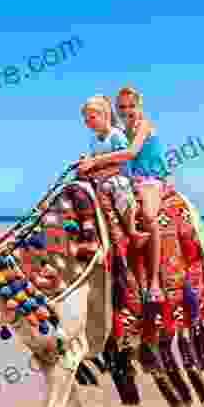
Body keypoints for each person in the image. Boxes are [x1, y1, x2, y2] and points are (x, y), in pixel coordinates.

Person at [77, 87, 170, 302]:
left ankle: (155, 282)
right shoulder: (118, 131)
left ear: (139, 106)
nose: (126, 111)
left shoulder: (144, 125)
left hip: (149, 178)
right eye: (121, 107)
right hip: (128, 178)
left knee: (148, 216)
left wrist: (96, 162)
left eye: (131, 106)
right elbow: (111, 154)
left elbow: (131, 153)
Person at [80, 94, 149, 248]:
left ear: (105, 115)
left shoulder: (116, 136)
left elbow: (122, 160)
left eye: (92, 118)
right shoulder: (94, 139)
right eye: (86, 120)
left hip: (119, 174)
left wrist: (100, 170)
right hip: (102, 175)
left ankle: (132, 231)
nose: (88, 123)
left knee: (119, 189)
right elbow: (96, 159)